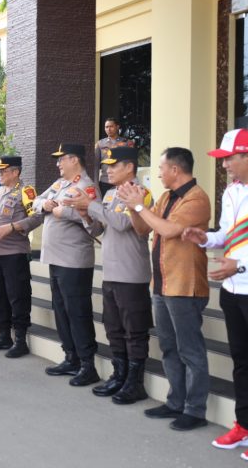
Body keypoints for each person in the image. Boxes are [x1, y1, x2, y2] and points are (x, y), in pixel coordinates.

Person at [183, 129, 248, 461]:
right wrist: (205, 238)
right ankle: (245, 425)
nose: (224, 167)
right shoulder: (232, 191)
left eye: (228, 159)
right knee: (243, 362)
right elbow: (228, 234)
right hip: (233, 290)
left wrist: (242, 265)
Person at [117, 147, 211, 431]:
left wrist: (139, 206)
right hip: (161, 283)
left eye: (160, 168)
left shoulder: (197, 198)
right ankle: (175, 402)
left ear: (175, 170)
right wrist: (132, 206)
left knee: (190, 350)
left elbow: (169, 230)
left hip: (185, 285)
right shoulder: (167, 196)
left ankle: (195, 409)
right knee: (169, 347)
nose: (157, 173)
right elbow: (143, 229)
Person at [66, 146, 153, 404]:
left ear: (129, 167)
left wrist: (90, 205)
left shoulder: (141, 193)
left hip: (131, 273)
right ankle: (120, 374)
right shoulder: (111, 194)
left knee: (134, 330)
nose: (108, 170)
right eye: (107, 165)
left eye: (114, 165)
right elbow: (100, 229)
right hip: (112, 271)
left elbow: (122, 223)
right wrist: (85, 214)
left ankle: (135, 382)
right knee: (114, 328)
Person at [33, 143, 103, 387]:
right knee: (61, 310)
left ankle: (87, 364)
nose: (57, 164)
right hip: (56, 258)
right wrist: (45, 206)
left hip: (74, 261)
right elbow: (36, 201)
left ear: (74, 160)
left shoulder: (87, 187)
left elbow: (96, 221)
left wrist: (68, 213)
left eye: (61, 159)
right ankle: (70, 356)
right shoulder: (60, 184)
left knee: (77, 312)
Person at [0, 155, 42, 358]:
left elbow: (37, 217)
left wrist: (13, 227)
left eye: (3, 171)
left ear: (15, 172)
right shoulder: (0, 191)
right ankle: (3, 334)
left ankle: (20, 339)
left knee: (18, 295)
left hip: (15, 252)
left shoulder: (26, 192)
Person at [94, 118, 134, 196]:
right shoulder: (100, 144)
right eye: (106, 127)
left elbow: (132, 163)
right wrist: (96, 183)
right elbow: (95, 165)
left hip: (122, 182)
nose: (108, 129)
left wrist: (131, 181)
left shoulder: (127, 143)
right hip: (105, 181)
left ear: (117, 127)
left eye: (111, 126)